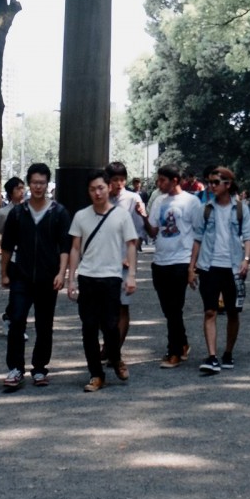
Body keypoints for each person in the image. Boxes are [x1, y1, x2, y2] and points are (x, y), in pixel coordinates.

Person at [0, 163, 71, 389]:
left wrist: (62, 273)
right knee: (17, 320)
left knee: (44, 324)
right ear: (29, 184)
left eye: (42, 182)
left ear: (47, 184)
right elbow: (7, 246)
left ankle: (39, 368)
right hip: (21, 276)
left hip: (48, 277)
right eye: (34, 182)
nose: (38, 186)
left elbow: (65, 247)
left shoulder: (58, 212)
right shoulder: (18, 213)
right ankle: (15, 368)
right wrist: (4, 273)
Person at [65, 171, 139, 392]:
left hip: (111, 277)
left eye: (101, 188)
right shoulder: (81, 216)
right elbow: (75, 248)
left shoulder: (121, 215)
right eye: (92, 189)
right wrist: (71, 279)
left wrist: (132, 275)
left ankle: (115, 357)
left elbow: (131, 244)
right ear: (88, 192)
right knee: (88, 327)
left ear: (109, 188)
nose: (97, 193)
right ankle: (96, 374)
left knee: (110, 326)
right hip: (88, 277)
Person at [188, 167, 250, 373]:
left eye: (216, 182)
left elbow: (247, 237)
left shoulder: (241, 209)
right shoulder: (205, 209)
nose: (211, 186)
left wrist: (246, 260)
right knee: (210, 311)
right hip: (209, 266)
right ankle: (212, 356)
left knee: (233, 312)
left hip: (233, 267)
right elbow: (197, 239)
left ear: (228, 184)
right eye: (209, 182)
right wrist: (191, 268)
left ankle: (228, 353)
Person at [147, 164, 200, 368]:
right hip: (160, 259)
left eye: (163, 180)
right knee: (168, 309)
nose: (159, 184)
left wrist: (193, 267)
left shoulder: (191, 201)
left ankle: (174, 351)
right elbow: (153, 231)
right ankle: (183, 342)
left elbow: (198, 235)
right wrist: (142, 216)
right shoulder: (158, 201)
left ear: (175, 180)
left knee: (174, 306)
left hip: (181, 259)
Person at [107, 161, 150, 356]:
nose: (118, 184)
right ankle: (108, 343)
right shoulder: (101, 197)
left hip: (124, 258)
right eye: (115, 179)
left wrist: (130, 257)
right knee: (105, 306)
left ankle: (115, 349)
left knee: (122, 305)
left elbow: (138, 230)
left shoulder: (133, 199)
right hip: (104, 259)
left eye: (122, 179)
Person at [0, 176, 25, 337]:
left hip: (29, 259)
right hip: (12, 258)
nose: (21, 191)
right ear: (10, 192)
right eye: (18, 188)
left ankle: (11, 317)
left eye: (22, 188)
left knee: (26, 293)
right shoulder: (3, 213)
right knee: (17, 292)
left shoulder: (30, 210)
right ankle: (13, 322)